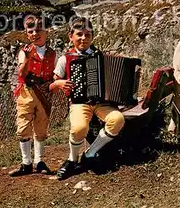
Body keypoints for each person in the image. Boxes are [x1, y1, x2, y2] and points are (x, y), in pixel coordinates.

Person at [51, 17, 125, 180]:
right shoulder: (65, 59)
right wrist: (60, 83)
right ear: (71, 36)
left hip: (102, 103)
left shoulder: (101, 56)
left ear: (92, 37)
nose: (84, 38)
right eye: (79, 34)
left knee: (117, 119)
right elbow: (52, 84)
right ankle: (72, 160)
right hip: (79, 102)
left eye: (88, 35)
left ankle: (89, 153)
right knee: (78, 128)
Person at [9, 15, 57, 177]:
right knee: (23, 125)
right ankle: (26, 162)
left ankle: (39, 161)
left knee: (41, 126)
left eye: (39, 30)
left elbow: (55, 74)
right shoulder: (25, 52)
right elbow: (21, 74)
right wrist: (27, 59)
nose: (35, 33)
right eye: (31, 31)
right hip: (27, 91)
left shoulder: (52, 54)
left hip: (44, 93)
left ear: (46, 32)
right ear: (27, 34)